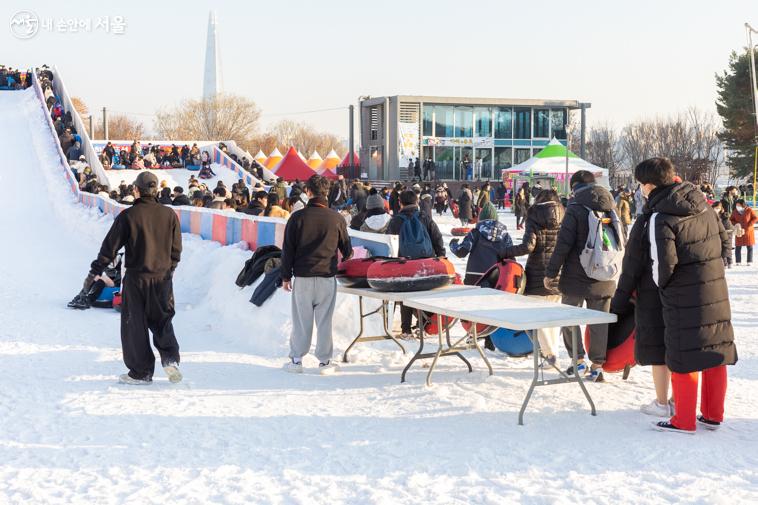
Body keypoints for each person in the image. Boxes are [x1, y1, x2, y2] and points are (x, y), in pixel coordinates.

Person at [636, 158, 737, 434]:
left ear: (649, 185)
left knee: (683, 353)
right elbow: (723, 240)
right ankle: (713, 415)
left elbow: (662, 265)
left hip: (682, 295)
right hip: (715, 288)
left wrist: (661, 287)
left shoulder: (660, 216)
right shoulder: (703, 204)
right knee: (715, 351)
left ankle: (683, 419)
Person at [76, 172, 182, 385]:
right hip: (162, 279)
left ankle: (141, 372)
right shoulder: (169, 215)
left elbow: (110, 248)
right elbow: (176, 250)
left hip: (136, 279)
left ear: (136, 190)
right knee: (162, 319)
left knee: (135, 324)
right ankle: (170, 359)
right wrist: (168, 270)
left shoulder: (128, 216)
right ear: (155, 191)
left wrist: (96, 270)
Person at [544, 170, 619, 382]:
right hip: (605, 275)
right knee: (599, 322)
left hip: (576, 277)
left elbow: (563, 245)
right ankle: (597, 366)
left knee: (569, 318)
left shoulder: (575, 208)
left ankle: (577, 361)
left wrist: (551, 273)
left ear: (575, 186)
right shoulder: (611, 206)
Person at [281, 175, 353, 374]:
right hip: (327, 279)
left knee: (301, 321)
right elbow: (347, 251)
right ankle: (325, 362)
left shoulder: (297, 218)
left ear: (308, 192)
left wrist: (285, 277)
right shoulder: (337, 218)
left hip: (303, 278)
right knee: (324, 321)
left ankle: (296, 361)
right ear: (327, 192)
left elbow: (287, 250)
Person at [610, 190, 669, 417]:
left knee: (658, 350)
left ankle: (662, 401)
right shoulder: (698, 214)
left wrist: (620, 300)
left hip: (652, 292)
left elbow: (632, 263)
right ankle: (677, 401)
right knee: (679, 348)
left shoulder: (649, 221)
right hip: (686, 293)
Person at [500, 189, 565, 366]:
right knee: (554, 317)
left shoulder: (535, 214)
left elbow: (528, 246)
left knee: (538, 317)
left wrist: (506, 252)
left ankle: (549, 355)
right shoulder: (564, 214)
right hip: (559, 273)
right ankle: (553, 354)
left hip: (537, 274)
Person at [386, 190, 445, 338]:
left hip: (404, 263)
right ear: (417, 202)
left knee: (405, 294)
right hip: (426, 261)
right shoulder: (424, 217)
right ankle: (423, 325)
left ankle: (406, 329)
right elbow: (437, 236)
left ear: (400, 203)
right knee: (423, 294)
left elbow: (389, 242)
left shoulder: (395, 221)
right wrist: (441, 255)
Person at [451, 202, 512, 285]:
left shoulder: (475, 233)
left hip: (474, 276)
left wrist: (453, 244)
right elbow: (510, 259)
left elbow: (461, 252)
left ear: (481, 217)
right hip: (496, 277)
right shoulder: (505, 236)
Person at [729, 199, 756, 266]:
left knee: (749, 246)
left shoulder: (749, 210)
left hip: (748, 231)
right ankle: (738, 261)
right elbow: (731, 219)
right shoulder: (735, 211)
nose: (737, 206)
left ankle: (749, 261)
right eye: (736, 205)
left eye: (738, 205)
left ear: (742, 205)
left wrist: (749, 224)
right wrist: (736, 224)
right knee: (738, 246)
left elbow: (755, 218)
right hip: (739, 231)